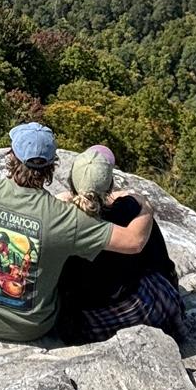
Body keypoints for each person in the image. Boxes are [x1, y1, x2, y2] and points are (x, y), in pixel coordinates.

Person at [0, 122, 154, 343]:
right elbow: (135, 241)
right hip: (33, 327)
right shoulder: (66, 218)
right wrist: (146, 207)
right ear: (52, 166)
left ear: (11, 157)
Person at [56, 146, 183, 342]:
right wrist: (144, 205)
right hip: (138, 311)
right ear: (110, 185)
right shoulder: (129, 210)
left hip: (86, 322)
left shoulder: (58, 217)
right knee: (148, 234)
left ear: (71, 183)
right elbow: (156, 257)